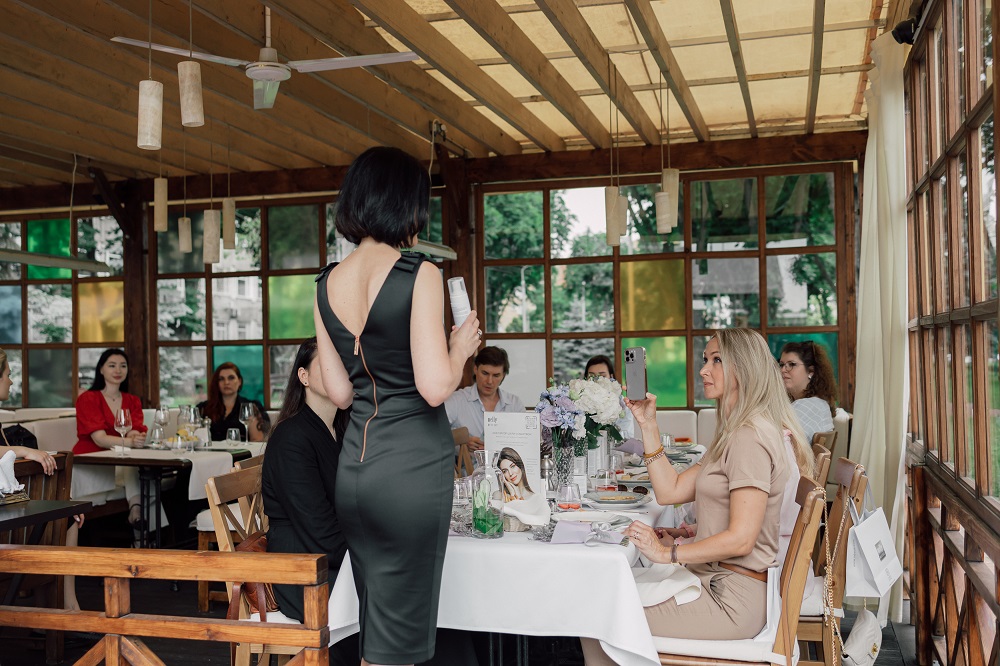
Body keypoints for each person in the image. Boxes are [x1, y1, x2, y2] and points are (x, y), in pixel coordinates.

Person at [314, 146, 481, 665]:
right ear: (404, 204)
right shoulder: (418, 272)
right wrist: (460, 347)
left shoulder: (325, 283)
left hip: (355, 472)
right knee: (398, 644)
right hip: (410, 471)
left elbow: (339, 393)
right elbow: (434, 387)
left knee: (380, 634)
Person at [582, 329, 813, 664]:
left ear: (744, 368)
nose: (704, 369)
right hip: (715, 580)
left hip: (730, 598)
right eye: (706, 359)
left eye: (717, 360)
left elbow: (742, 539)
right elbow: (670, 491)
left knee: (594, 611)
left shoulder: (749, 438)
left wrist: (668, 553)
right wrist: (648, 424)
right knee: (600, 597)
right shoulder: (733, 433)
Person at [73, 348, 150, 541]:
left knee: (136, 467)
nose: (118, 370)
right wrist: (131, 442)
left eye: (123, 366)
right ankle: (140, 528)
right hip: (91, 461)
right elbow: (99, 438)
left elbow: (134, 428)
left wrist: (136, 437)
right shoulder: (88, 398)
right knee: (133, 464)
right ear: (101, 369)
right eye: (112, 365)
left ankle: (136, 514)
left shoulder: (132, 400)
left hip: (119, 464)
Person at [445, 346, 524, 453]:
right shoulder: (456, 400)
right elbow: (435, 434)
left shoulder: (514, 404)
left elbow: (525, 442)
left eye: (496, 375)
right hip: (467, 464)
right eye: (485, 373)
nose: (489, 381)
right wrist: (461, 442)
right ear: (475, 369)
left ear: (503, 375)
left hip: (506, 463)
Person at [779, 341, 837, 442]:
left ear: (811, 371)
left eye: (791, 364)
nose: (783, 370)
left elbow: (776, 439)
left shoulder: (809, 405)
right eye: (781, 364)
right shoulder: (816, 403)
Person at [197, 363, 270, 442]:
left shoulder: (251, 407)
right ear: (217, 383)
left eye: (231, 378)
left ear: (239, 381)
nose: (226, 382)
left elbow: (257, 440)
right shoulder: (203, 408)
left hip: (243, 450)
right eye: (221, 379)